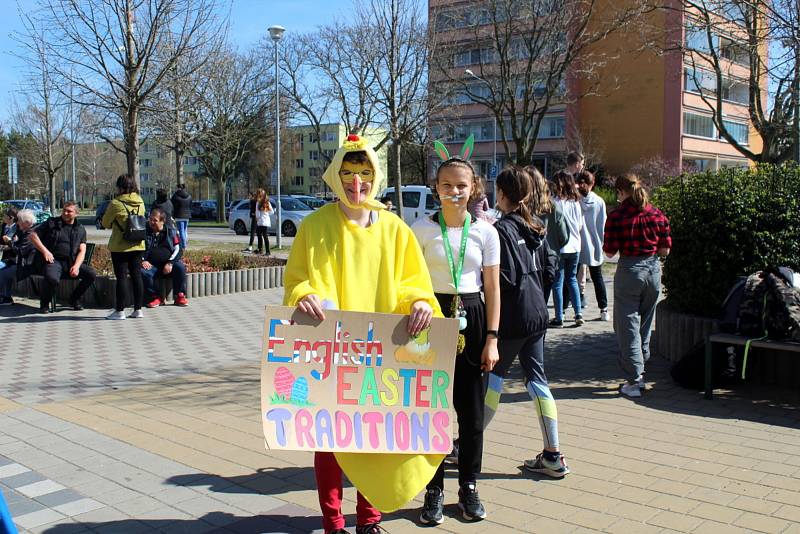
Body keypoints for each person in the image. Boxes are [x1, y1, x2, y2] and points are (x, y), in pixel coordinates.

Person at [284, 134, 441, 534]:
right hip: (332, 351)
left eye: (365, 175)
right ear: (336, 176)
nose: (357, 184)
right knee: (330, 441)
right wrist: (304, 296)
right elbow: (299, 279)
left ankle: (369, 521)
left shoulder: (395, 230)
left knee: (376, 438)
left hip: (381, 352)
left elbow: (412, 281)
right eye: (349, 174)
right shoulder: (316, 226)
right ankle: (334, 522)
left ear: (377, 176)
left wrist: (420, 303)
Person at [413, 154, 500, 525]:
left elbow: (493, 288)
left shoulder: (486, 231)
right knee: (432, 411)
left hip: (473, 316)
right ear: (436, 187)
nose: (454, 191)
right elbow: (408, 280)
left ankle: (468, 485)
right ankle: (433, 489)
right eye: (446, 185)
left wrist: (492, 338)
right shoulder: (419, 229)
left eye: (461, 185)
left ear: (473, 188)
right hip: (430, 318)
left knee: (471, 413)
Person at [482, 166, 568, 478]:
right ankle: (553, 454)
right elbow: (551, 268)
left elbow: (503, 278)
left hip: (512, 318)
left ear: (502, 194)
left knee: (491, 378)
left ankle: (467, 445)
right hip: (537, 316)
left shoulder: (500, 229)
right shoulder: (537, 225)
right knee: (537, 380)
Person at [603, 174, 671, 398]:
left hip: (630, 271)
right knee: (645, 321)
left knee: (627, 325)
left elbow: (609, 251)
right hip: (653, 270)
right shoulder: (656, 214)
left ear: (621, 192)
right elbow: (665, 250)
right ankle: (641, 372)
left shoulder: (617, 216)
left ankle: (633, 380)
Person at [29, 202, 96, 313]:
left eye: (69, 211)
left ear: (76, 213)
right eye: (64, 210)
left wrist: (77, 266)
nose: (65, 213)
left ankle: (74, 299)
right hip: (53, 261)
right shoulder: (51, 223)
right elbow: (32, 235)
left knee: (91, 274)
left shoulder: (80, 229)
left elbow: (82, 250)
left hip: (71, 262)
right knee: (52, 277)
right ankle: (44, 304)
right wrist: (45, 251)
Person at [103, 174, 146, 320]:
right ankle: (138, 309)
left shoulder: (115, 203)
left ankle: (120, 311)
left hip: (120, 245)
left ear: (120, 187)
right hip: (138, 244)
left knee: (121, 277)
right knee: (136, 276)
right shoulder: (140, 200)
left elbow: (105, 223)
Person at [525, 166, 568, 301]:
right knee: (542, 302)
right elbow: (564, 237)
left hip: (526, 263)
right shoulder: (552, 207)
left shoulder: (520, 207)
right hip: (548, 261)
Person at [549, 171, 584, 327]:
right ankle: (578, 313)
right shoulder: (576, 202)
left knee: (558, 282)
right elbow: (580, 225)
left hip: (561, 247)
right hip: (575, 246)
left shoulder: (554, 202)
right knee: (572, 280)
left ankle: (559, 317)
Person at [575, 170, 609, 321]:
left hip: (576, 244)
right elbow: (603, 225)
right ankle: (604, 309)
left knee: (571, 278)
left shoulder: (574, 200)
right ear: (593, 183)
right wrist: (602, 243)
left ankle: (565, 310)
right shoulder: (599, 202)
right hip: (594, 244)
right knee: (597, 278)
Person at [141, 207, 188, 308]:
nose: (152, 222)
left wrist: (170, 263)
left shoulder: (171, 232)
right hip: (152, 266)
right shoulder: (144, 231)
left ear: (163, 221)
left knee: (180, 267)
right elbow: (137, 248)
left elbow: (178, 249)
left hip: (168, 266)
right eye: (150, 219)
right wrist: (143, 260)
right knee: (143, 272)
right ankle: (155, 297)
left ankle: (180, 295)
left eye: (155, 220)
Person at [0, 209, 37, 307]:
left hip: (27, 265)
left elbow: (20, 251)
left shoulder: (30, 234)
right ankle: (5, 297)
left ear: (27, 222)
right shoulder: (24, 232)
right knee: (3, 270)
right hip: (18, 262)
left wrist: (9, 242)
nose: (17, 222)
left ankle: (5, 297)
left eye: (19, 220)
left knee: (2, 273)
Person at [171, 183, 192, 249]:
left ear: (178, 188)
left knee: (181, 231)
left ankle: (183, 246)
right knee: (185, 230)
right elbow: (190, 205)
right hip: (187, 216)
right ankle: (184, 243)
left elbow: (172, 205)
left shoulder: (175, 196)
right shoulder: (189, 196)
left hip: (179, 216)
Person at [254, 189, 272, 255]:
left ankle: (261, 250)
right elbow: (271, 212)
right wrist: (266, 214)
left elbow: (258, 214)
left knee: (259, 235)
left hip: (261, 221)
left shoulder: (258, 203)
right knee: (265, 236)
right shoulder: (267, 202)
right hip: (266, 221)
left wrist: (257, 219)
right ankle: (266, 251)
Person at [0, 207, 17, 271]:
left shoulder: (18, 227)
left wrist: (5, 247)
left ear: (11, 218)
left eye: (5, 215)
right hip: (4, 256)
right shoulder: (4, 225)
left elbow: (17, 244)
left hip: (13, 257)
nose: (3, 217)